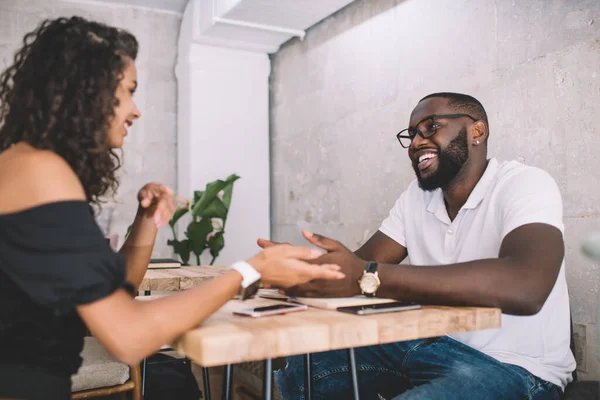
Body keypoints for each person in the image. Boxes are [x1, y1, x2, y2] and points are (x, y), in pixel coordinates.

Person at [0, 16, 346, 399]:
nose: (136, 110)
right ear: (86, 91)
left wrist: (147, 221)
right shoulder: (42, 172)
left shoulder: (27, 165)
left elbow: (121, 291)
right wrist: (251, 271)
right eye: (129, 91)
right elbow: (128, 338)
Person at [261, 92, 575, 399]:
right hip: (433, 346)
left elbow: (527, 286)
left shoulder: (524, 184)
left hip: (516, 367)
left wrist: (366, 276)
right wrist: (294, 269)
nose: (415, 143)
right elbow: (356, 267)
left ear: (477, 131)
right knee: (305, 365)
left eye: (431, 127)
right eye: (411, 135)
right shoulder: (417, 196)